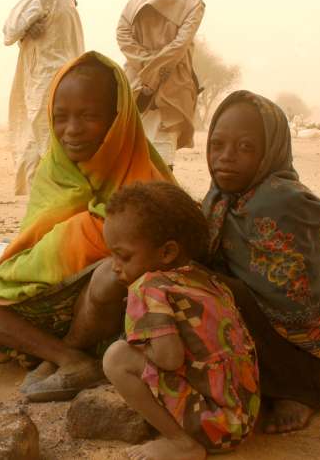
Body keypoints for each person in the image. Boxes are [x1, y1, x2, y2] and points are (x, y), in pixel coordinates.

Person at [0, 52, 173, 401]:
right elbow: (30, 250)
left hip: (98, 314)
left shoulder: (148, 181)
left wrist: (89, 232)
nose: (71, 130)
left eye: (88, 116)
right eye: (60, 118)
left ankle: (64, 350)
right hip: (38, 295)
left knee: (109, 274)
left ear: (119, 118)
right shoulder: (53, 169)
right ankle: (66, 358)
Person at [202, 91, 320, 433]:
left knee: (217, 291)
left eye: (245, 148)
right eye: (217, 145)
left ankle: (298, 393)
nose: (225, 158)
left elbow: (303, 300)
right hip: (270, 335)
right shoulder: (219, 198)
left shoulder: (286, 202)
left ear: (270, 151)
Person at [102, 182, 259, 460]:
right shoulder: (205, 278)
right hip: (243, 416)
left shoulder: (148, 288)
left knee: (116, 358)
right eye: (111, 255)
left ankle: (182, 443)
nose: (114, 266)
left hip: (214, 428)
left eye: (123, 256)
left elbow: (169, 359)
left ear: (166, 252)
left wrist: (137, 348)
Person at [4, 0, 85, 195]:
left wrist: (23, 30)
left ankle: (47, 203)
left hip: (45, 81)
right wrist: (28, 29)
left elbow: (9, 29)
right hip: (66, 79)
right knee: (49, 142)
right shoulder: (68, 0)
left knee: (43, 142)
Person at [116, 0, 204, 169]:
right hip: (173, 82)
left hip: (136, 82)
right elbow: (179, 46)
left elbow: (123, 37)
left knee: (135, 145)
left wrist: (145, 67)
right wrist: (156, 72)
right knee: (164, 153)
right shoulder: (194, 3)